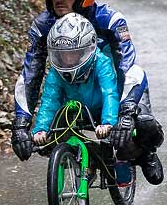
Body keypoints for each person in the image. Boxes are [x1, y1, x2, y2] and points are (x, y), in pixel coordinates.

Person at [11, 0, 165, 185]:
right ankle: (87, 158)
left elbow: (128, 65)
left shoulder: (110, 20)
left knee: (142, 124)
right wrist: (20, 125)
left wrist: (125, 112)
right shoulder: (43, 26)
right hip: (72, 94)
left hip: (115, 90)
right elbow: (31, 73)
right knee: (44, 139)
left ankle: (146, 153)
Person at [31, 12, 118, 153]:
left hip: (103, 110)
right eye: (63, 54)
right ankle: (83, 155)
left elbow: (109, 93)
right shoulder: (56, 71)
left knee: (121, 145)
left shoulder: (101, 62)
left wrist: (108, 122)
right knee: (53, 140)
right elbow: (49, 100)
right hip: (75, 113)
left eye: (73, 53)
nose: (68, 59)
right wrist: (41, 129)